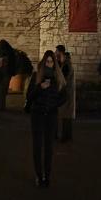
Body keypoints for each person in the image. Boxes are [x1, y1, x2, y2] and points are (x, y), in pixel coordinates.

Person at [25, 50, 66, 188]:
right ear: (43, 62)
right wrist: (39, 88)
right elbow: (29, 96)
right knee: (37, 146)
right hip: (37, 115)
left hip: (51, 115)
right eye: (47, 61)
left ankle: (46, 176)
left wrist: (54, 105)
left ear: (54, 63)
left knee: (48, 147)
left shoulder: (58, 78)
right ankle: (38, 175)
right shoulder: (37, 76)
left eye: (51, 62)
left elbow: (63, 97)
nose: (49, 64)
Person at [55, 45, 75, 142]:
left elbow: (64, 79)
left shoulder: (67, 64)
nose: (55, 53)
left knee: (66, 115)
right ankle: (66, 136)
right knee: (65, 115)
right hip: (66, 92)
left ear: (60, 52)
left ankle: (66, 137)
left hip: (66, 92)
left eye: (56, 51)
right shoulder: (63, 63)